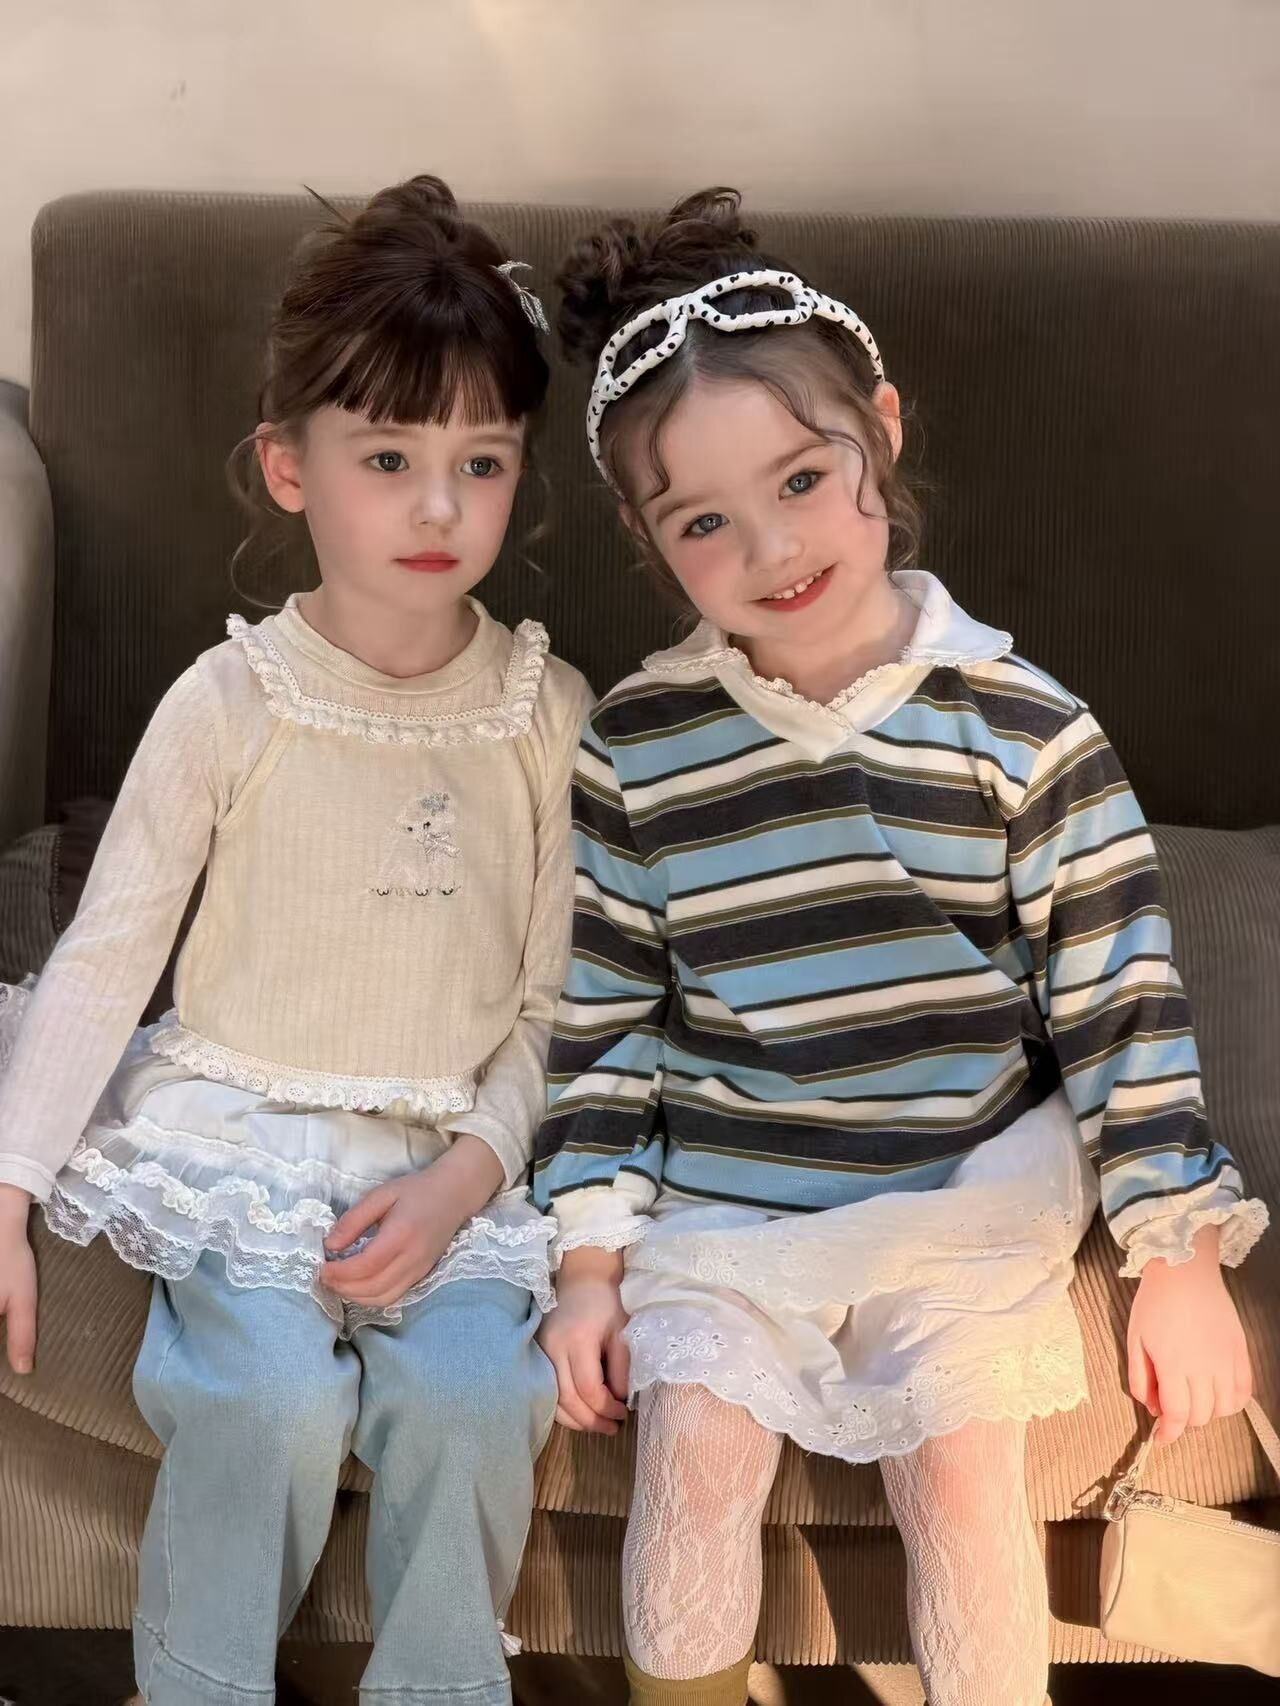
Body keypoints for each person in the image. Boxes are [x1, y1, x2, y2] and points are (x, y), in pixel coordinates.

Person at [533, 188, 1267, 1706]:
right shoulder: (637, 747)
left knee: (961, 1477)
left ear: (880, 430)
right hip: (729, 1197)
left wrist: (1179, 1260)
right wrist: (589, 1264)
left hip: (959, 1188)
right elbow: (606, 1019)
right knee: (693, 1463)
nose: (772, 546)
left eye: (803, 479)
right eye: (704, 521)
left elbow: (1120, 1008)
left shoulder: (1024, 729)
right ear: (648, 538)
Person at [0, 174, 592, 1706]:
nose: (439, 507)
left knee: (475, 1398)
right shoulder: (229, 703)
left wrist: (466, 1176)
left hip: (452, 1157)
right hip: (244, 1140)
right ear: (288, 467)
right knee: (264, 1398)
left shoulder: (546, 716)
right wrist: (8, 1184)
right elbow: (108, 953)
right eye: (388, 459)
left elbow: (557, 1006)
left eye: (480, 462)